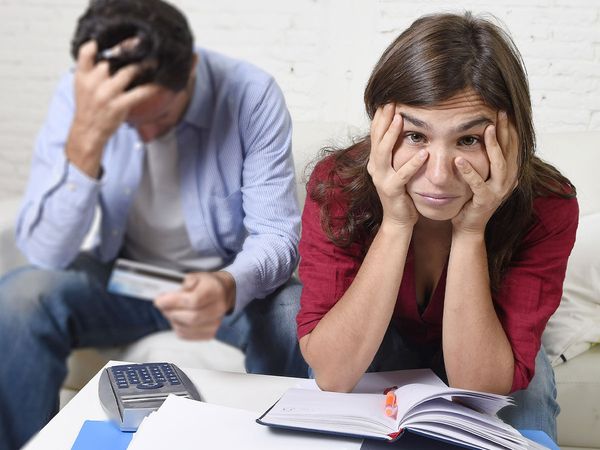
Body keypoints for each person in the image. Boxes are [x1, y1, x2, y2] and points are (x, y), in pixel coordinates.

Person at [0, 0, 307, 448]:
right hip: (123, 277)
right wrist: (88, 139)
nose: (144, 135)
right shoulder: (81, 94)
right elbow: (47, 253)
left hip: (224, 281)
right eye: (127, 122)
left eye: (160, 117)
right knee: (18, 299)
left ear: (192, 71)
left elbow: (277, 236)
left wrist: (226, 286)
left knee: (294, 314)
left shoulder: (250, 93)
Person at [296, 12, 577, 441]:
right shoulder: (338, 184)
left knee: (529, 375)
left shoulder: (547, 204)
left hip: (482, 347)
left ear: (511, 136)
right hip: (375, 338)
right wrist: (395, 222)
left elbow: (480, 388)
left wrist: (470, 232)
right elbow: (333, 374)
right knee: (286, 312)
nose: (441, 175)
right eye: (415, 136)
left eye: (468, 139)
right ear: (380, 127)